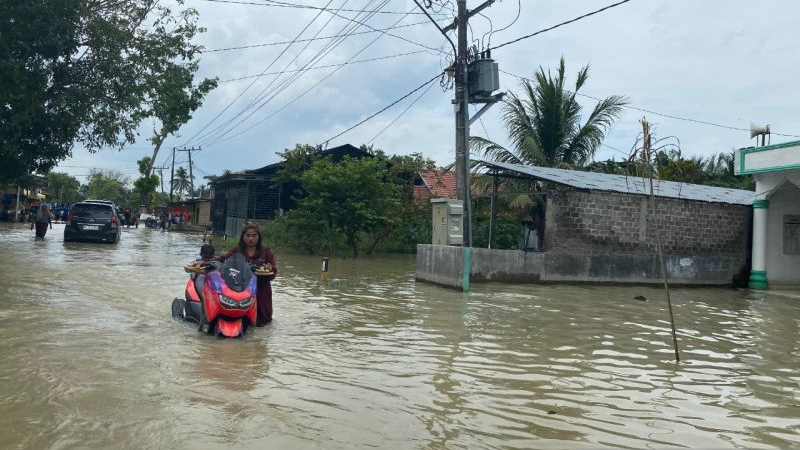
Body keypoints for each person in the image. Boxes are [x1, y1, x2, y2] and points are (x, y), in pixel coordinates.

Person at [216, 223, 277, 326]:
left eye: (254, 235)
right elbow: (222, 260)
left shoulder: (266, 251)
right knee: (242, 320)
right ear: (243, 237)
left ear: (259, 236)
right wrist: (206, 262)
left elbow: (273, 273)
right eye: (248, 235)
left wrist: (270, 270)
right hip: (242, 289)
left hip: (261, 290)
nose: (251, 238)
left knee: (263, 323)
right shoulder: (237, 250)